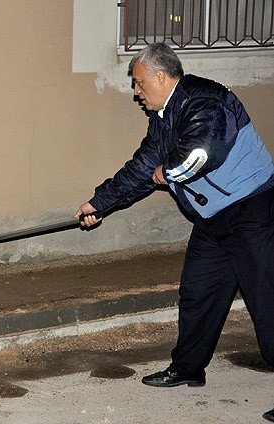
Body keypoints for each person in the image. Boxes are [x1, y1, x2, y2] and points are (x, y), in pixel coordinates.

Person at [75, 42, 274, 422]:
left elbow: (201, 154)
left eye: (137, 83)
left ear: (160, 77)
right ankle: (187, 368)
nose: (135, 91)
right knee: (198, 293)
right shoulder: (163, 119)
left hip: (252, 210)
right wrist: (99, 204)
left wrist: (168, 173)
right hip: (213, 217)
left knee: (267, 300)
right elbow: (141, 169)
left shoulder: (208, 100)